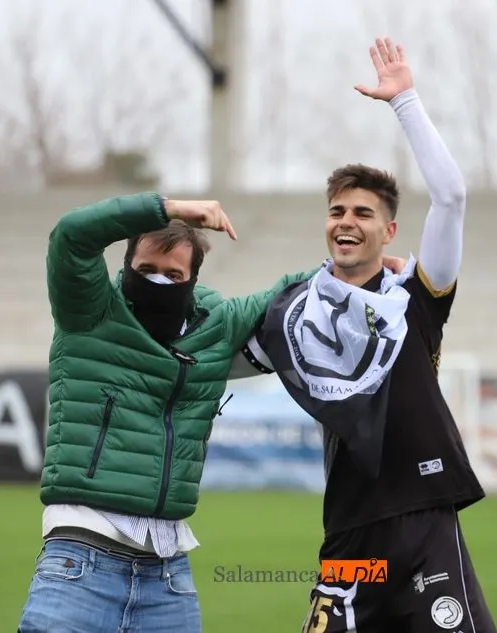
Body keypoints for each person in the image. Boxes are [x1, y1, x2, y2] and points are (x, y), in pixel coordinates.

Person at [241, 38, 497, 632]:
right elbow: (233, 358)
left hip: (425, 527)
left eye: (361, 213)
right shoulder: (302, 314)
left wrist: (404, 100)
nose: (346, 222)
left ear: (389, 230)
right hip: (351, 534)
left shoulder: (417, 299)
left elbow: (452, 197)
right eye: (336, 211)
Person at [16, 193, 319, 633]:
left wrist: (359, 273)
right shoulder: (89, 310)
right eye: (146, 270)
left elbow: (291, 293)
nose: (159, 281)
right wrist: (168, 209)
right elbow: (71, 236)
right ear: (125, 268)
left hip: (167, 576)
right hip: (80, 564)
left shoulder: (215, 326)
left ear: (192, 281)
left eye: (173, 274)